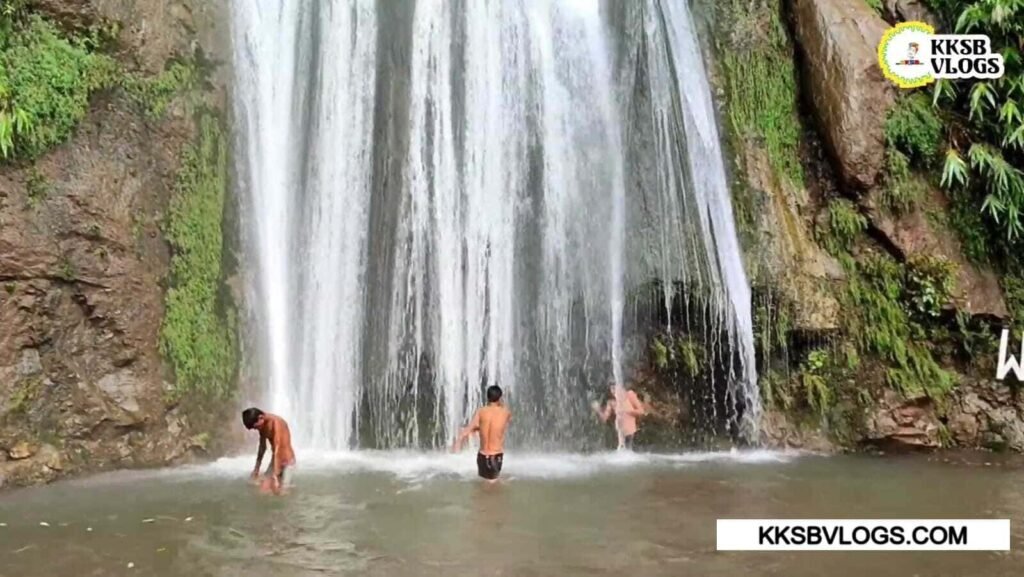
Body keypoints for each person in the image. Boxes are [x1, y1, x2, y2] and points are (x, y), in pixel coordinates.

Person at [451, 385, 512, 483]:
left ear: (487, 397)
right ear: (500, 398)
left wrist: (458, 442)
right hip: (495, 456)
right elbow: (502, 425)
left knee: (483, 486)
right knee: (494, 491)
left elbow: (469, 429)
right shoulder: (505, 412)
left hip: (482, 457)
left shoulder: (481, 411)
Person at [241, 407, 296, 495]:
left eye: (256, 427)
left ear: (261, 417)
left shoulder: (276, 422)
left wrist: (275, 475)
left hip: (287, 460)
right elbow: (262, 447)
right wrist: (256, 468)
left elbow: (278, 447)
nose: (256, 429)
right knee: (264, 489)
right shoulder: (262, 426)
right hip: (275, 460)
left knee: (282, 491)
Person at [593, 382, 646, 450]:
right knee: (622, 449)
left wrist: (627, 412)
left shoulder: (629, 394)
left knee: (630, 449)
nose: (614, 391)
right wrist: (598, 409)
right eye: (612, 389)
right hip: (621, 432)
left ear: (621, 388)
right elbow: (604, 418)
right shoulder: (612, 402)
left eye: (615, 388)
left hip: (632, 431)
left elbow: (641, 411)